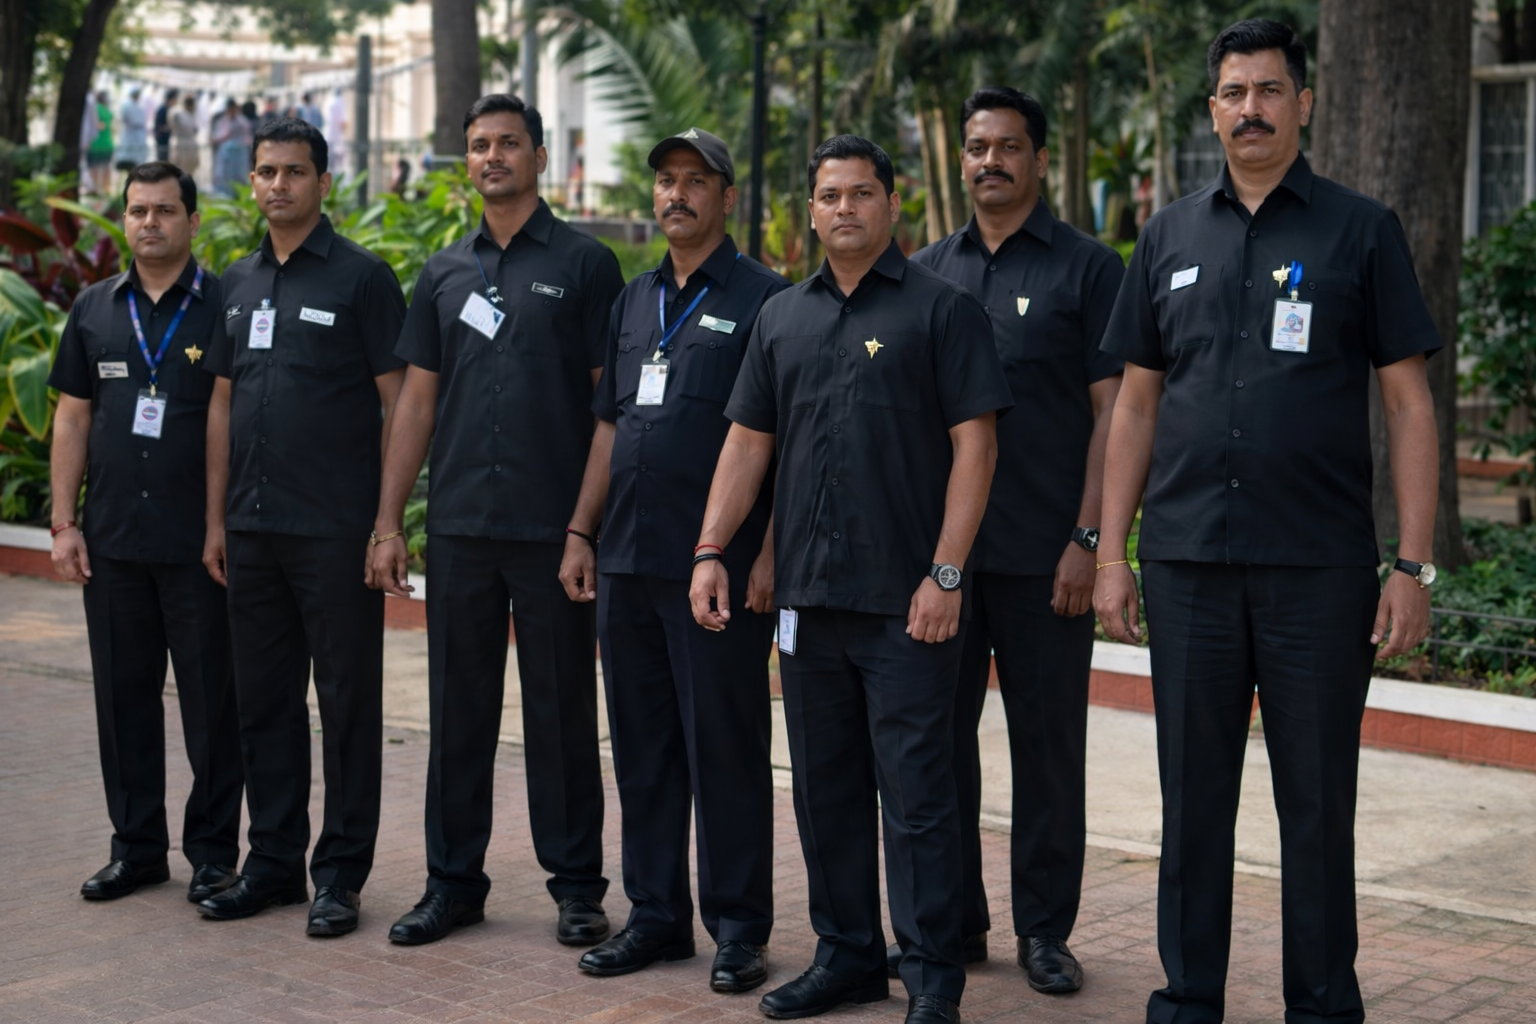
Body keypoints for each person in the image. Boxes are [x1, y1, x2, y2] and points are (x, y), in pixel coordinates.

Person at [1093, 19, 1440, 1024]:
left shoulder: (1360, 230)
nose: (1252, 108)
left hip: (1318, 574)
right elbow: (1136, 406)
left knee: (1318, 808)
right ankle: (1188, 999)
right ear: (1213, 111)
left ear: (1305, 103)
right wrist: (1112, 552)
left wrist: (1412, 565)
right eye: (1235, 92)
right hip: (1188, 565)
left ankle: (1323, 1007)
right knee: (1192, 803)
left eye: (1271, 89)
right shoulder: (1167, 237)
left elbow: (1409, 403)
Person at [690, 135, 1011, 1024]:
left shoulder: (942, 311)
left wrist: (946, 573)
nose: (845, 209)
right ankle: (846, 958)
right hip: (808, 603)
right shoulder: (781, 318)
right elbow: (747, 443)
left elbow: (977, 448)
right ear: (811, 210)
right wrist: (712, 549)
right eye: (830, 195)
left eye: (862, 193)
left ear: (892, 205)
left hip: (908, 606)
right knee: (824, 791)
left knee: (917, 799)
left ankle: (933, 977)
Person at [368, 94, 621, 949]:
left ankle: (577, 888)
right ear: (466, 160)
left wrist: (587, 527)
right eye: (479, 145)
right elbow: (416, 404)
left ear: (540, 157)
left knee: (561, 713)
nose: (493, 157)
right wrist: (388, 520)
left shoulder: (586, 264)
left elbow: (609, 407)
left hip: (554, 532)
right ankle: (452, 885)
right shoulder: (444, 271)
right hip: (462, 529)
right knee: (458, 712)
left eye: (509, 143)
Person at [906, 86, 1124, 995]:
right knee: (936, 749)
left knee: (1047, 753)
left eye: (1007, 146)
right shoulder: (925, 271)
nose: (989, 161)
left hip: (1047, 562)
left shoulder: (1089, 270)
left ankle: (1045, 931)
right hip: (945, 568)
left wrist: (1089, 539)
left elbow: (1115, 416)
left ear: (1037, 157)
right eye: (976, 147)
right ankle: (954, 925)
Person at [563, 128, 788, 992]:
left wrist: (767, 552)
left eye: (696, 180)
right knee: (643, 750)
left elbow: (787, 441)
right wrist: (581, 532)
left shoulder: (767, 300)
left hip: (716, 571)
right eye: (665, 180)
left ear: (727, 197)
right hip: (627, 561)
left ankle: (738, 928)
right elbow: (610, 426)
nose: (677, 194)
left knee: (724, 749)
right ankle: (656, 916)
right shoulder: (634, 299)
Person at [197, 118, 407, 938]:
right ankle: (274, 863)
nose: (278, 184)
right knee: (264, 704)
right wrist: (215, 520)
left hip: (334, 533)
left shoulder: (363, 278)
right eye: (266, 172)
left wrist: (385, 523)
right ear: (251, 181)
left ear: (323, 181)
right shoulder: (236, 281)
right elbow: (221, 405)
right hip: (251, 529)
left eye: (293, 171)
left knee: (347, 705)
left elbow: (399, 403)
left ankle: (341, 876)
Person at [47, 161, 244, 909]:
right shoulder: (94, 308)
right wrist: (64, 522)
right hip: (114, 543)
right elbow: (73, 416)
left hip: (199, 547)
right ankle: (135, 850)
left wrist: (221, 527)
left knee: (212, 706)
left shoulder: (224, 304)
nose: (150, 223)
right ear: (125, 219)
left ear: (193, 220)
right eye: (137, 211)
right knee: (123, 700)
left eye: (164, 210)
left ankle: (213, 856)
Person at [211, 100, 252, 197]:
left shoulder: (242, 121)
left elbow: (246, 137)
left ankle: (238, 194)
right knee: (225, 174)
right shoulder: (223, 121)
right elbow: (220, 135)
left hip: (239, 152)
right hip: (226, 153)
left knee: (239, 174)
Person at [86, 91, 115, 196]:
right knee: (105, 169)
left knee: (94, 169)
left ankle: (95, 191)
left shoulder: (95, 108)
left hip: (95, 145)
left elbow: (98, 125)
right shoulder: (107, 111)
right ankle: (105, 191)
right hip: (108, 144)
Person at [117, 90, 150, 171]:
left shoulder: (139, 105)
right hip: (130, 133)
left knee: (138, 157)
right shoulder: (126, 104)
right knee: (128, 156)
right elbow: (123, 118)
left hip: (139, 133)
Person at [170, 95, 201, 179]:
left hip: (190, 143)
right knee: (180, 169)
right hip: (182, 143)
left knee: (190, 169)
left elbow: (195, 129)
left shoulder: (192, 114)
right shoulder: (178, 113)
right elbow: (186, 128)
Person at [153, 89, 177, 162]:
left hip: (166, 139)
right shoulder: (163, 109)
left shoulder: (169, 109)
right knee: (162, 161)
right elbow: (159, 126)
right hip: (162, 139)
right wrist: (169, 128)